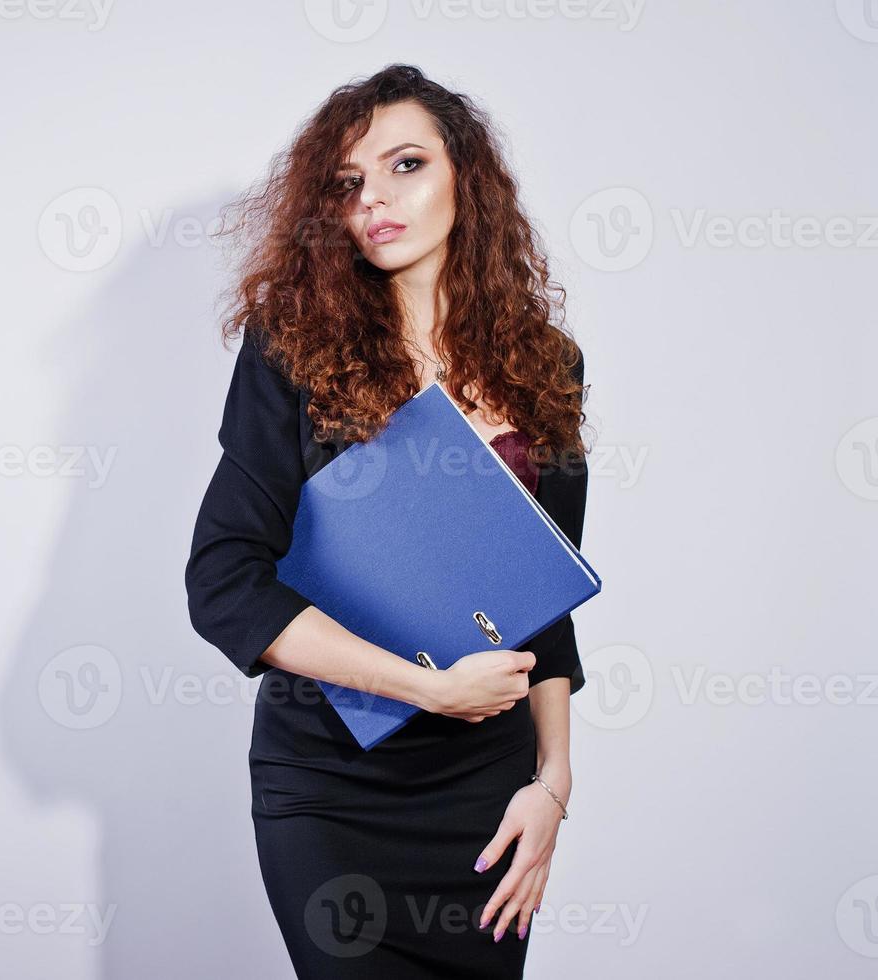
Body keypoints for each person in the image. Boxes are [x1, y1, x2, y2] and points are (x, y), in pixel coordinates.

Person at [184, 64, 592, 978]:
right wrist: (423, 687)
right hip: (330, 785)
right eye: (348, 182)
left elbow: (543, 598)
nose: (374, 198)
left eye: (404, 164)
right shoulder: (291, 349)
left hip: (483, 791)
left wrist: (550, 783)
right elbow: (222, 581)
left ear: (466, 178)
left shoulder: (545, 363)